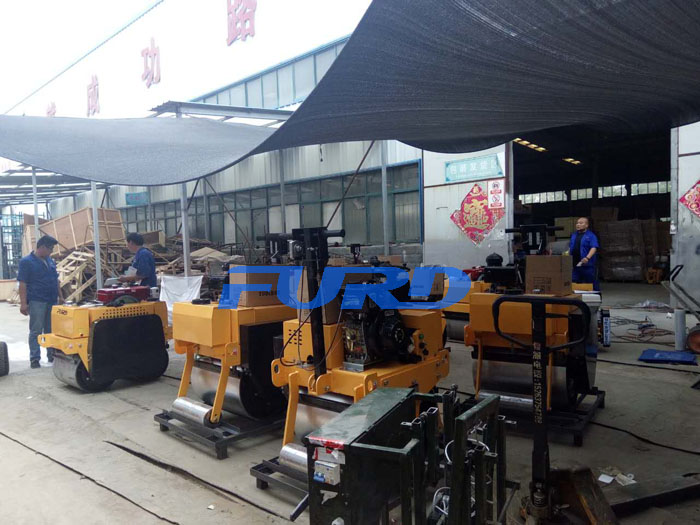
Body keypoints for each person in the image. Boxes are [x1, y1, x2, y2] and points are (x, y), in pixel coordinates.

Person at [17, 235, 62, 368]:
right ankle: (35, 359)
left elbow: (56, 280)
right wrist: (23, 304)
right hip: (37, 301)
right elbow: (23, 283)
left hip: (51, 300)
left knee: (50, 330)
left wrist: (61, 296)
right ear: (42, 247)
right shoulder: (26, 262)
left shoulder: (50, 261)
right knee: (36, 330)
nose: (51, 252)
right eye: (50, 249)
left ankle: (51, 356)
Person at [569, 217, 599, 287]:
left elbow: (594, 247)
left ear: (586, 225)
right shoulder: (574, 235)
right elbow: (571, 247)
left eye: (581, 223)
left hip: (587, 265)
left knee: (590, 284)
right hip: (575, 265)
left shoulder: (591, 236)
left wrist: (587, 258)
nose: (578, 224)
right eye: (577, 223)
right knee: (574, 283)